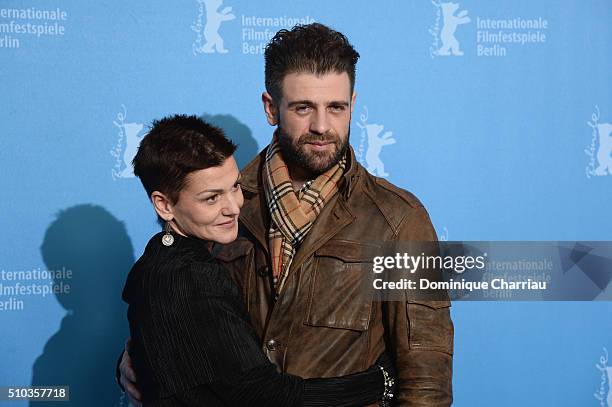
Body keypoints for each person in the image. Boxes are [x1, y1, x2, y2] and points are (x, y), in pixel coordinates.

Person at [121, 23, 453, 406]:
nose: (322, 126)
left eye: (336, 107)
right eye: (303, 108)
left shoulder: (400, 217)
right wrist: (138, 362)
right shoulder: (223, 204)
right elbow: (183, 318)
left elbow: (426, 378)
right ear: (270, 107)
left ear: (352, 106)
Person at [122, 114, 395, 406]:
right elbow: (264, 395)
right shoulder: (193, 277)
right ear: (164, 205)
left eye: (235, 187)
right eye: (212, 198)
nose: (233, 207)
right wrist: (381, 381)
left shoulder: (153, 265)